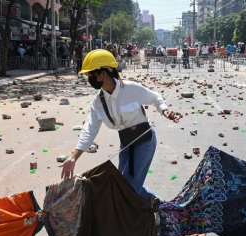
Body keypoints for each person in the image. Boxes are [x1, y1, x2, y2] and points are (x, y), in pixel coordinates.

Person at [59, 49, 179, 202]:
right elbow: (89, 130)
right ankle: (159, 205)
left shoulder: (131, 89)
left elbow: (155, 97)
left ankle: (152, 214)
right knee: (122, 183)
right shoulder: (98, 102)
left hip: (145, 141)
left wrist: (165, 110)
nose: (89, 79)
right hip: (126, 143)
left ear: (103, 73)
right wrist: (74, 158)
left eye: (91, 75)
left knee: (127, 189)